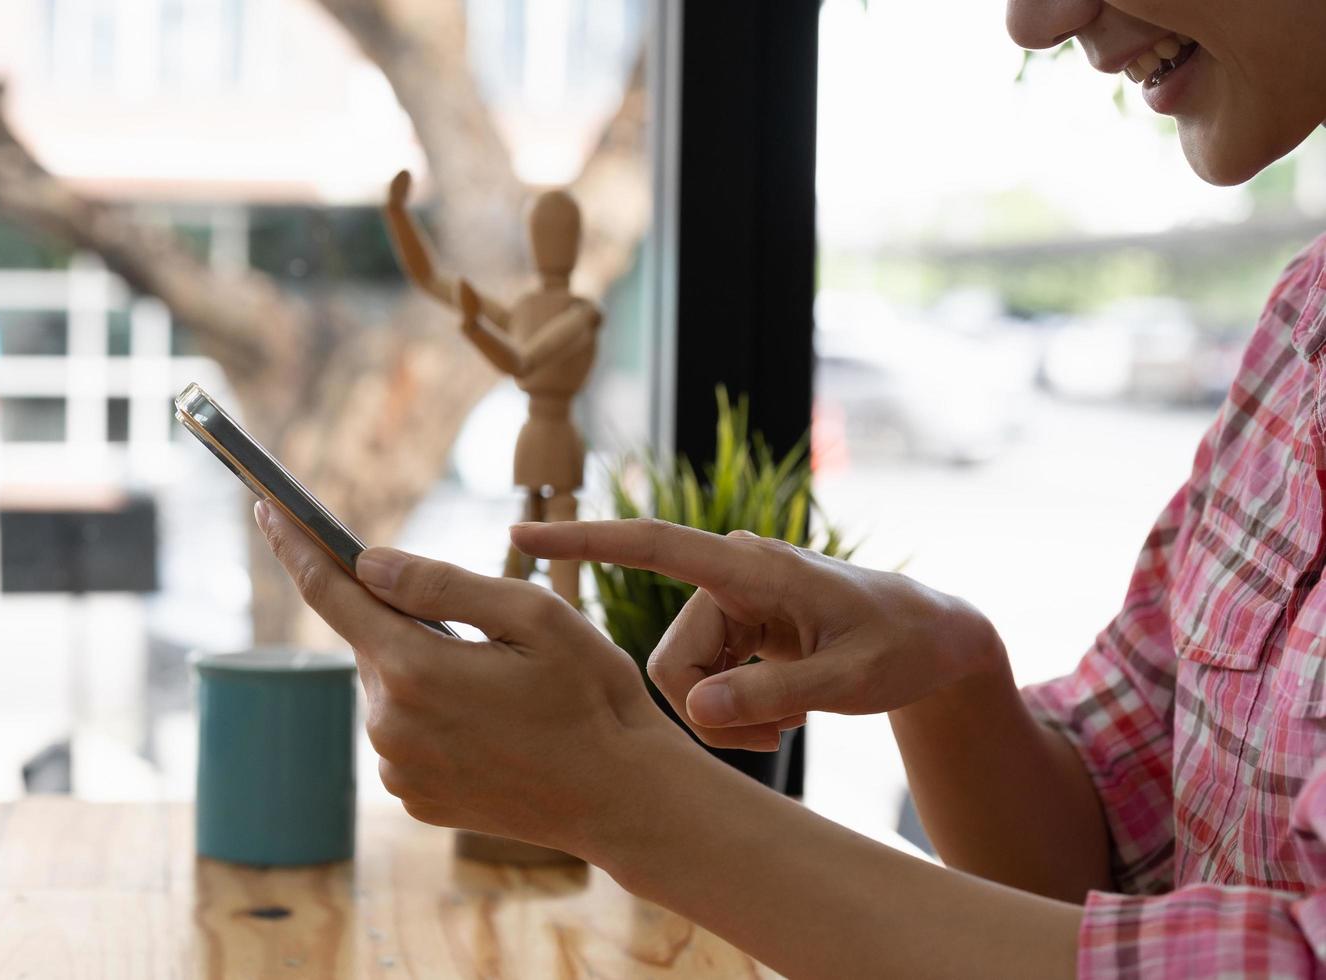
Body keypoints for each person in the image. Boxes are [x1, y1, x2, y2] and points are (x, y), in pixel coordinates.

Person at [258, 1, 1326, 977]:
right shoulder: (1299, 324)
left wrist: (628, 800)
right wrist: (950, 676)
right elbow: (1098, 869)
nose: (1033, 20)